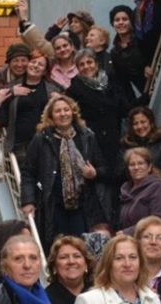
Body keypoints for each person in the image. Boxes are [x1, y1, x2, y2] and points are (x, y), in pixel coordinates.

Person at [20, 95, 108, 251]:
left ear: (73, 112)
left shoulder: (87, 136)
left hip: (82, 206)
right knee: (57, 249)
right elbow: (28, 172)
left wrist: (94, 173)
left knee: (81, 248)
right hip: (53, 207)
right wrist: (28, 201)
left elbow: (103, 167)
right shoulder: (41, 139)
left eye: (66, 110)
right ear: (51, 116)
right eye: (58, 111)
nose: (63, 114)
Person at [67, 48, 132, 223]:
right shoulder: (74, 89)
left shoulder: (110, 83)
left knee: (120, 181)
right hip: (94, 145)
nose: (86, 66)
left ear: (96, 64)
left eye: (89, 62)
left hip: (115, 141)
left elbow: (124, 108)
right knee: (102, 187)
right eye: (81, 64)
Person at [0, 50, 63, 164]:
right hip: (19, 145)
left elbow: (65, 111)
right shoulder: (12, 86)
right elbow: (1, 118)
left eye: (40, 64)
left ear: (44, 71)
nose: (36, 66)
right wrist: (0, 101)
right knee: (21, 174)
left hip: (46, 144)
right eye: (33, 62)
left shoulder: (53, 89)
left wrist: (59, 99)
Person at [120, 106, 161, 189]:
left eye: (143, 122)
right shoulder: (127, 146)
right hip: (133, 192)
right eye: (135, 123)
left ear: (151, 123)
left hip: (156, 191)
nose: (140, 126)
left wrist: (147, 160)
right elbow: (119, 173)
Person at [118, 147, 161, 234]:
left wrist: (127, 232)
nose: (136, 167)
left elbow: (158, 221)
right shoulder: (125, 190)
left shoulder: (158, 187)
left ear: (149, 167)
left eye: (141, 163)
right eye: (132, 164)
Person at [109, 5, 149, 101]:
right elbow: (124, 83)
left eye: (125, 19)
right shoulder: (114, 53)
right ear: (113, 24)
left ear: (131, 21)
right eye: (117, 20)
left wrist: (148, 64)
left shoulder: (142, 38)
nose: (121, 22)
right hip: (146, 93)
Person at [0, 43, 31, 129]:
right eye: (15, 61)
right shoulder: (2, 74)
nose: (19, 65)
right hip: (7, 120)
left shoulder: (32, 74)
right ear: (9, 63)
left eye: (23, 60)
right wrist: (11, 91)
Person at [134, 215, 161, 293]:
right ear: (137, 243)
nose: (153, 242)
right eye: (147, 237)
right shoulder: (126, 275)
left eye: (160, 238)